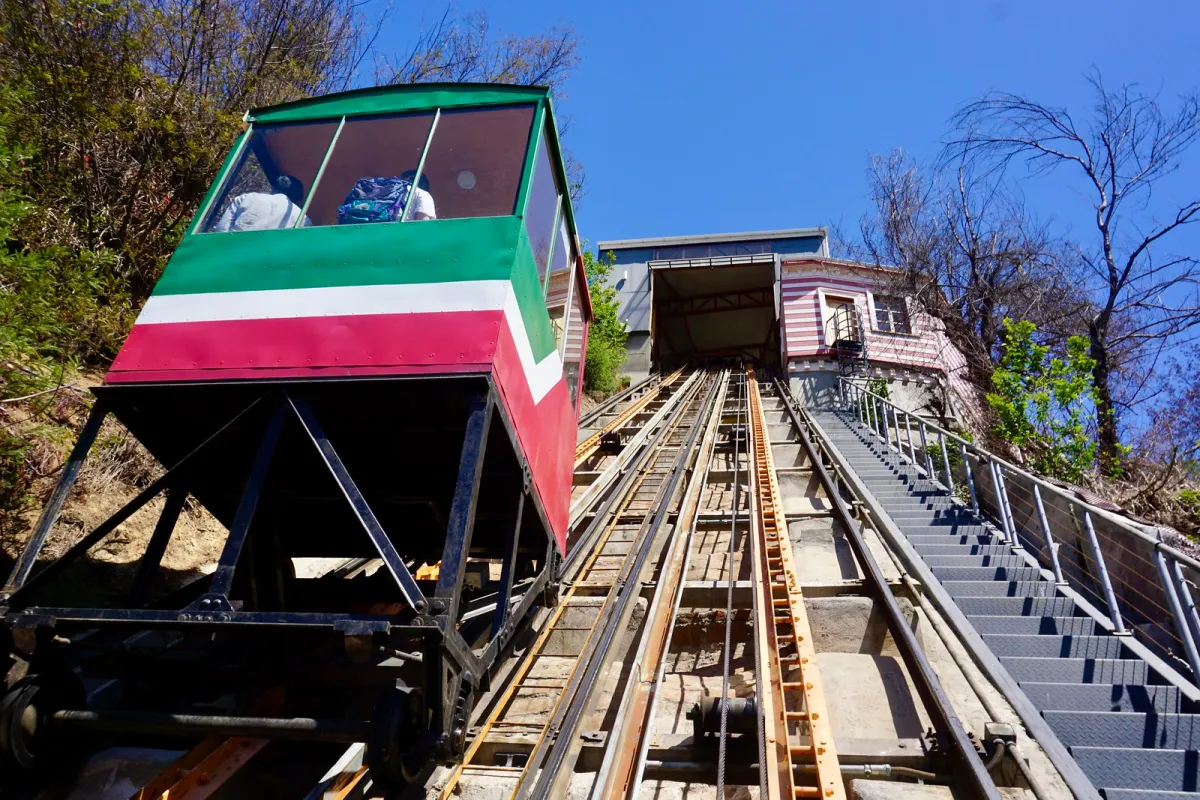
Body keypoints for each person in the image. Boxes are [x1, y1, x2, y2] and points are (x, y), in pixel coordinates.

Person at [209, 174, 312, 232]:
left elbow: (221, 229)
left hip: (233, 255)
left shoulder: (246, 198)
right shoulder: (303, 219)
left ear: (274, 188)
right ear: (298, 199)